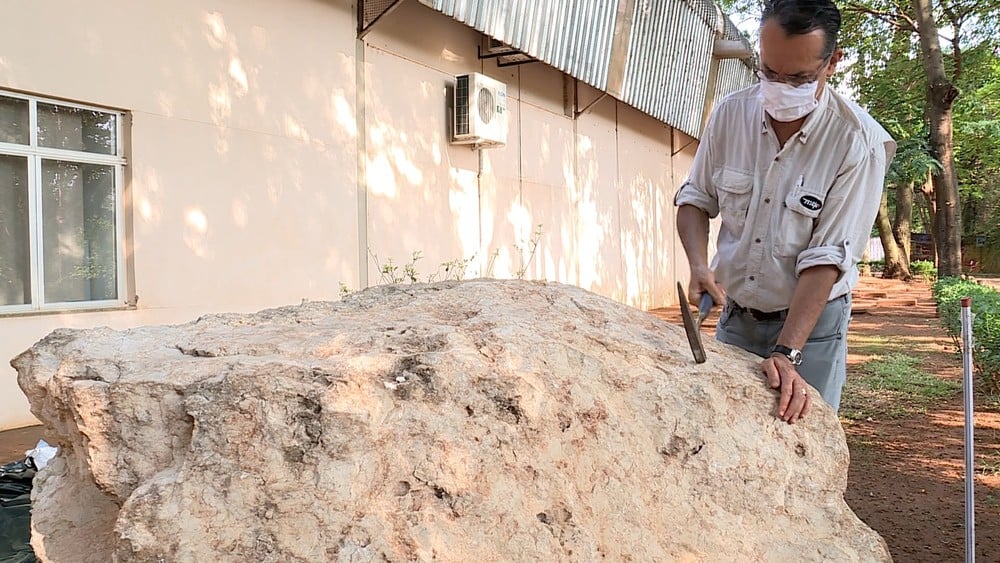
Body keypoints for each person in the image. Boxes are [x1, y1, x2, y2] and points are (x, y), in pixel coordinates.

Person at [674, 0, 896, 424]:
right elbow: (695, 200)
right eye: (769, 72)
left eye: (797, 78)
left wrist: (788, 352)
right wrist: (700, 266)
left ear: (832, 62)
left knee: (802, 446)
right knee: (723, 438)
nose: (778, 87)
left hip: (811, 333)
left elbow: (827, 259)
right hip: (737, 319)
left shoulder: (857, 142)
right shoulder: (730, 115)